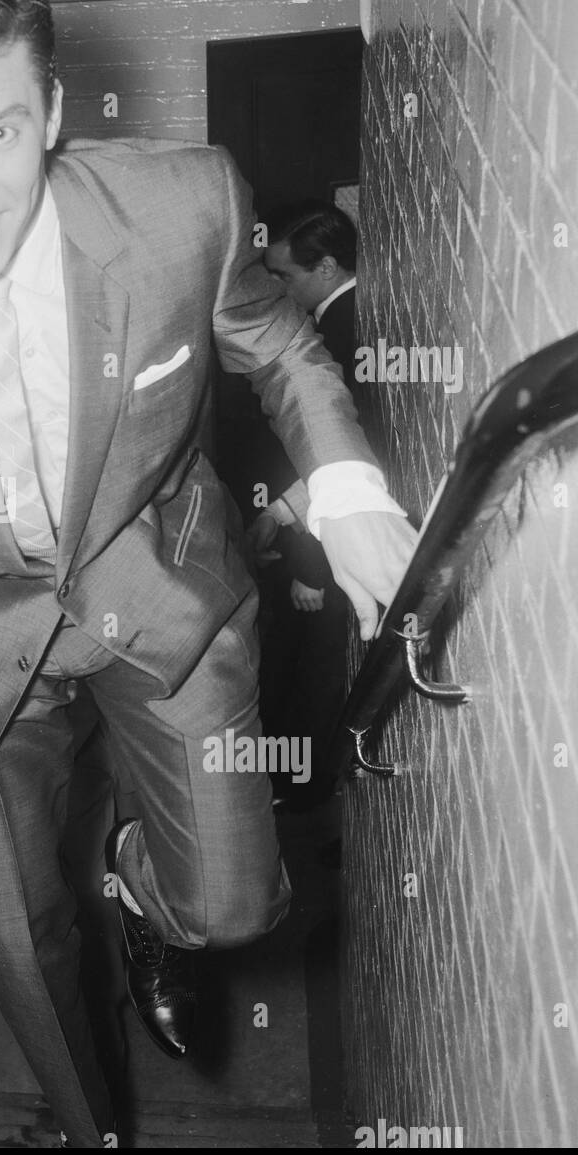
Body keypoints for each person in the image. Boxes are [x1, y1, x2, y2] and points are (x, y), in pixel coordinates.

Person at [0, 0, 417, 1147]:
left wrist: (346, 483)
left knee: (229, 907)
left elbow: (276, 347)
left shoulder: (182, 208)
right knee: (17, 944)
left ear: (54, 112)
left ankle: (137, 873)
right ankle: (95, 1133)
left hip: (158, 593)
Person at [249, 204, 364, 799]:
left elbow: (344, 455)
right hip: (310, 534)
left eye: (284, 275)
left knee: (310, 673)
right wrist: (279, 513)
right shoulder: (341, 314)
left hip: (320, 556)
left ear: (323, 267)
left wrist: (310, 567)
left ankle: (300, 790)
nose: (275, 288)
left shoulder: (341, 330)